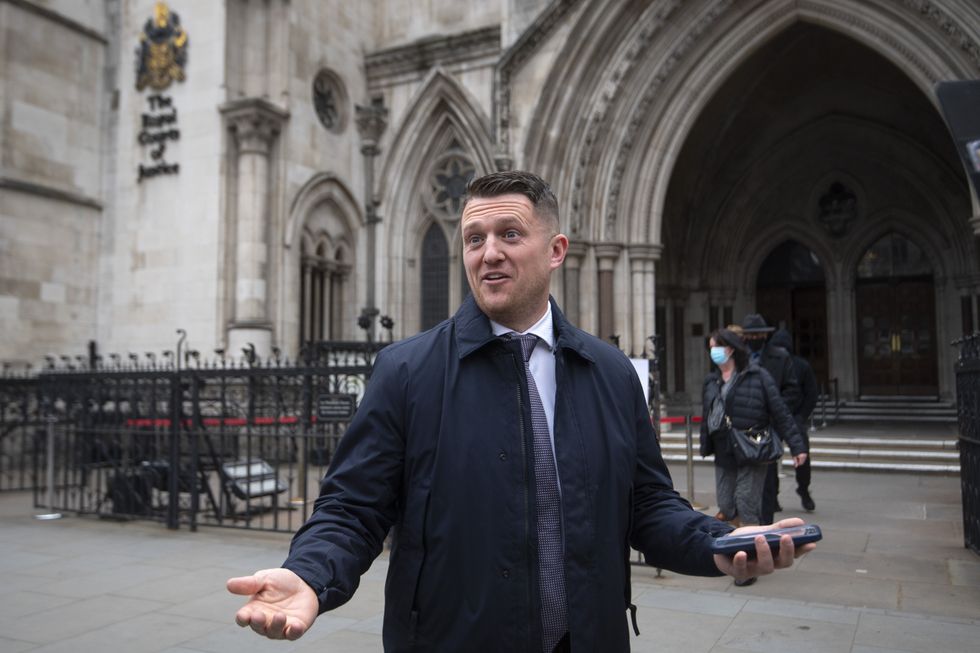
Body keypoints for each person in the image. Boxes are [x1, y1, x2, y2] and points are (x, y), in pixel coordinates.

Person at [227, 171, 816, 651]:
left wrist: (722, 544)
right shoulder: (407, 372)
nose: (489, 254)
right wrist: (309, 573)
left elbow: (647, 506)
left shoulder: (609, 373)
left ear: (556, 249)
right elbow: (352, 508)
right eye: (474, 238)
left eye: (510, 234)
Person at [699, 328, 808, 586]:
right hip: (725, 451)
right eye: (710, 346)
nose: (712, 351)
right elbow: (709, 415)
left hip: (752, 449)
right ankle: (737, 547)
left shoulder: (758, 376)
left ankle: (748, 564)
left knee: (746, 503)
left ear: (731, 348)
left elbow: (780, 411)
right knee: (726, 504)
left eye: (716, 346)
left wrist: (797, 445)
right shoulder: (712, 380)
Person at [740, 313, 801, 525]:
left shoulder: (780, 357)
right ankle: (747, 525)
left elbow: (792, 391)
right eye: (751, 334)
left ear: (765, 336)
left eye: (758, 334)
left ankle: (765, 525)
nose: (755, 338)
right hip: (742, 428)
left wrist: (773, 411)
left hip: (768, 427)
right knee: (743, 483)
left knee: (767, 481)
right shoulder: (739, 358)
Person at [770, 328, 819, 511]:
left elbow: (811, 394)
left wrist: (800, 416)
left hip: (794, 417)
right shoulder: (770, 366)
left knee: (802, 455)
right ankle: (772, 496)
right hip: (774, 419)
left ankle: (804, 490)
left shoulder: (801, 366)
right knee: (770, 459)